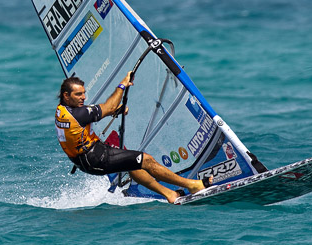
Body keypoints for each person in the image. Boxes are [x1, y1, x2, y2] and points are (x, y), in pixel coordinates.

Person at [55, 74, 215, 204]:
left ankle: (170, 194)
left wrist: (113, 111)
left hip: (86, 160)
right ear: (66, 96)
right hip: (96, 158)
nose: (83, 97)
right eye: (78, 94)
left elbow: (94, 116)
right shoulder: (78, 114)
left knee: (134, 165)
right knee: (146, 160)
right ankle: (193, 185)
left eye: (84, 93)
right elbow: (107, 107)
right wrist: (122, 85)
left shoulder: (62, 110)